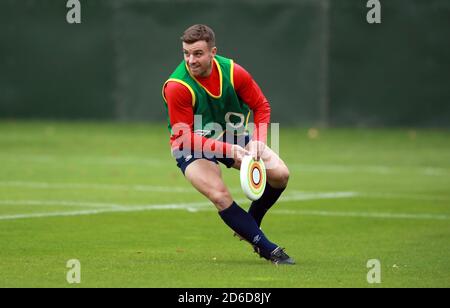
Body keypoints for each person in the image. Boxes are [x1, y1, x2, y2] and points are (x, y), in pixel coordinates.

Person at [162, 24, 295, 265]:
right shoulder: (177, 86)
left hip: (229, 135)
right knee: (220, 195)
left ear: (213, 52)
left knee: (280, 175)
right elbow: (185, 137)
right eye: (186, 53)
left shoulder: (234, 73)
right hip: (191, 144)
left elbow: (261, 106)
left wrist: (258, 140)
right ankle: (267, 249)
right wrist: (228, 150)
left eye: (198, 54)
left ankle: (249, 224)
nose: (190, 60)